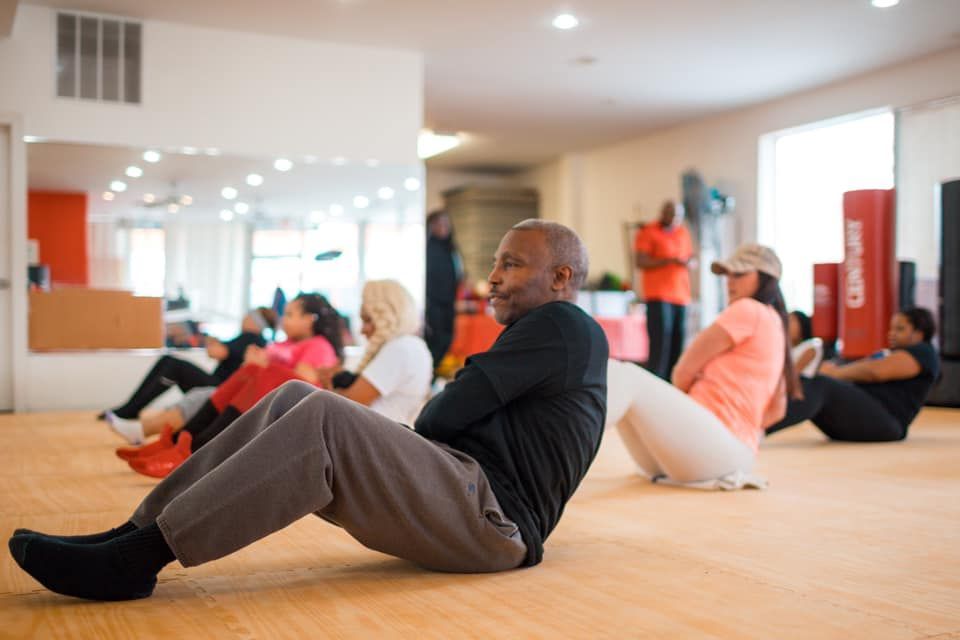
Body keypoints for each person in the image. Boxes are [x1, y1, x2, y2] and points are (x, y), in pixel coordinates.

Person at [8, 219, 608, 602]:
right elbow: (446, 418)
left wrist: (460, 402)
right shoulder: (551, 333)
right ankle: (133, 534)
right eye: (497, 261)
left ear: (560, 276)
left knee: (321, 412)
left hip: (494, 519)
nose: (493, 278)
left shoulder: (562, 323)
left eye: (511, 264)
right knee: (297, 396)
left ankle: (137, 558)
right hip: (467, 492)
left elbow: (440, 418)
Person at [126, 280, 433, 479]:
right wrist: (330, 378)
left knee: (267, 372)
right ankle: (190, 444)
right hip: (361, 430)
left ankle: (194, 450)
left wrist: (323, 380)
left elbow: (355, 402)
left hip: (365, 438)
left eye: (367, 320)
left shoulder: (402, 348)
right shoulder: (403, 348)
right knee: (257, 372)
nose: (362, 329)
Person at [612, 244, 799, 484]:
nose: (730, 281)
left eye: (739, 274)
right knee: (625, 382)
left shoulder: (747, 309)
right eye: (727, 274)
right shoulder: (777, 324)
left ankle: (558, 444)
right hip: (730, 455)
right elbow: (776, 411)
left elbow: (682, 372)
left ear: (766, 279)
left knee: (624, 375)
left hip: (713, 447)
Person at [115, 293, 343, 475]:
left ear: (309, 319)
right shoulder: (285, 343)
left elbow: (306, 384)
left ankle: (193, 448)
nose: (284, 319)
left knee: (260, 372)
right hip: (262, 394)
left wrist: (262, 364)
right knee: (252, 371)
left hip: (292, 406)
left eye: (291, 314)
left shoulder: (318, 345)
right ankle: (180, 442)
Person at [102, 308, 277, 443]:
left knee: (173, 365)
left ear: (255, 322)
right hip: (222, 386)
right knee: (169, 362)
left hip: (220, 388)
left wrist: (211, 343)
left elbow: (216, 353)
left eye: (249, 315)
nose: (244, 317)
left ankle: (131, 409)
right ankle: (131, 408)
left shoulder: (249, 338)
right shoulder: (258, 341)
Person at [766, 307, 939, 442]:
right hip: (864, 419)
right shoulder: (890, 352)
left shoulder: (923, 352)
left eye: (900, 329)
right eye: (891, 328)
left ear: (918, 333)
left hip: (887, 423)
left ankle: (759, 428)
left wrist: (836, 373)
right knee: (810, 384)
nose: (891, 333)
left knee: (821, 385)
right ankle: (753, 421)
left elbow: (875, 372)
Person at [634, 200, 694, 379]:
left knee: (677, 343)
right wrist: (669, 260)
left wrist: (689, 262)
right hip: (658, 295)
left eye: (678, 215)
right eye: (671, 213)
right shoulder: (648, 232)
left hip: (681, 295)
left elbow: (690, 256)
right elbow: (640, 261)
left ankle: (672, 383)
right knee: (661, 344)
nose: (675, 218)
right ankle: (656, 383)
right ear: (663, 212)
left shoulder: (682, 232)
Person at [425, 210, 463, 370]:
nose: (443, 227)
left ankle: (430, 374)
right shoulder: (428, 248)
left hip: (449, 302)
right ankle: (427, 374)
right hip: (433, 303)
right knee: (437, 340)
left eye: (445, 223)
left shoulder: (451, 248)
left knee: (447, 339)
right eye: (438, 223)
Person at [788, 310, 824, 377]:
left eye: (791, 321)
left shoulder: (811, 346)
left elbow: (794, 372)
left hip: (804, 384)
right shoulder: (789, 347)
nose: (787, 325)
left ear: (802, 324)